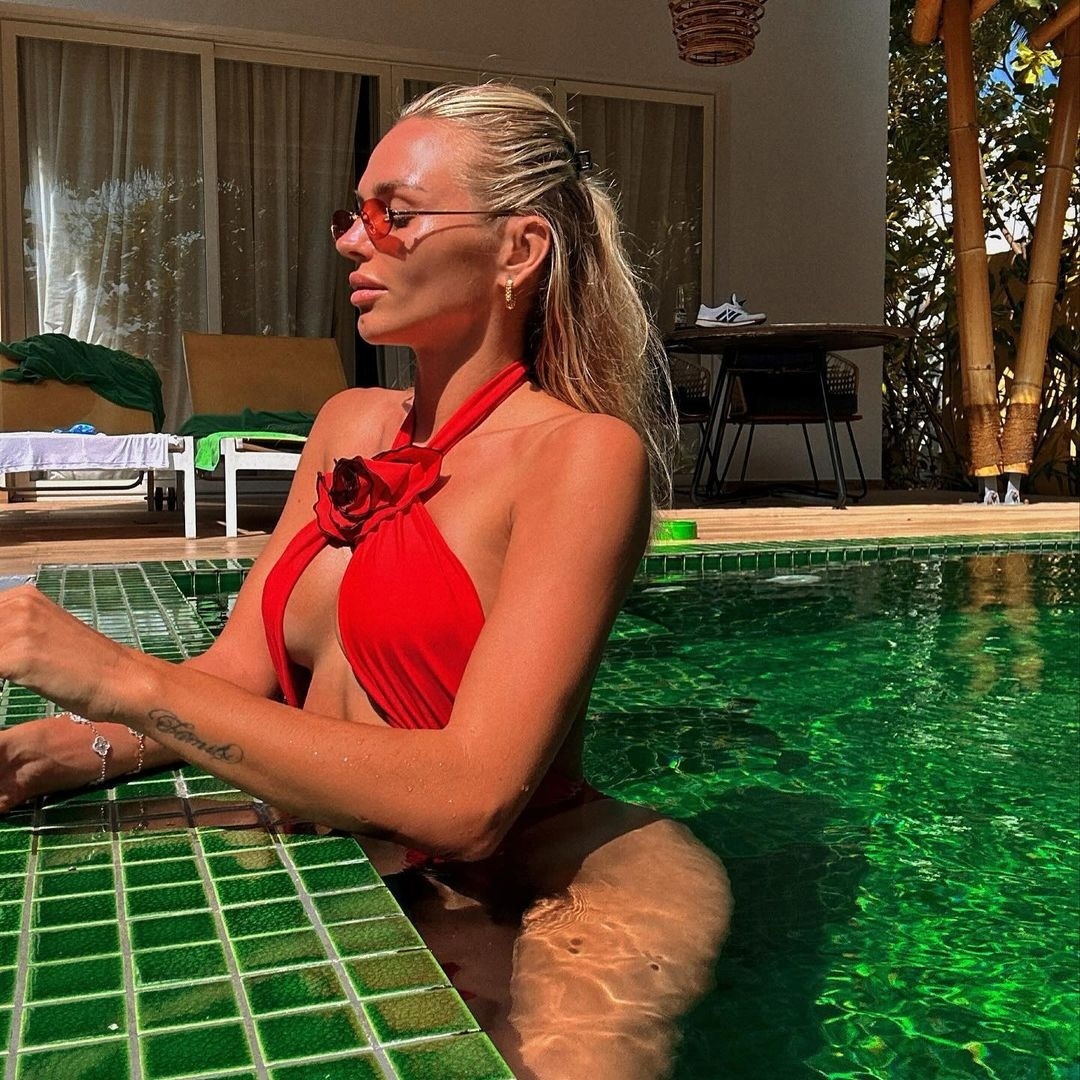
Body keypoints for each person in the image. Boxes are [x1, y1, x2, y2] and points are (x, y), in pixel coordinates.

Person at [0, 83, 731, 1079]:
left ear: (518, 250)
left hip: (551, 879)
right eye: (353, 214)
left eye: (396, 213)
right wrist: (59, 750)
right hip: (347, 847)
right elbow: (241, 670)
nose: (353, 241)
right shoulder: (350, 424)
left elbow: (474, 798)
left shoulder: (581, 456)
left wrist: (122, 679)